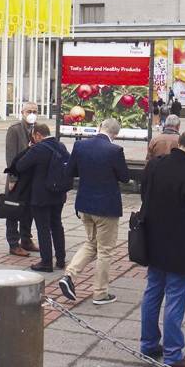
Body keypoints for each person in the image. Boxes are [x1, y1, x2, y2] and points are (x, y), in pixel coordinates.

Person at [139, 129, 185, 367]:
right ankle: (173, 354)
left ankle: (148, 343)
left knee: (153, 292)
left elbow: (144, 196)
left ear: (180, 143)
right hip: (181, 245)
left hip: (153, 240)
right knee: (175, 298)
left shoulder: (155, 166)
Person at [59, 118, 130, 305]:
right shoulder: (115, 150)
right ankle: (100, 293)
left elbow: (70, 173)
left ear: (100, 127)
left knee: (91, 243)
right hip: (106, 207)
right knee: (105, 251)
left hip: (84, 204)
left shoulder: (80, 146)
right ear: (116, 134)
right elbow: (124, 177)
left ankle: (69, 275)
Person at [15, 124, 68, 272]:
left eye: (33, 136)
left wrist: (29, 148)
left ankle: (46, 262)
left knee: (43, 228)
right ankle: (61, 259)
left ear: (38, 135)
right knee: (57, 225)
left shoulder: (38, 149)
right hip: (58, 193)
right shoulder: (61, 146)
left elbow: (20, 166)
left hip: (41, 195)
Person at [3, 102, 39, 257]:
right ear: (22, 112)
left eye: (35, 111)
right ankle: (13, 243)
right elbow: (10, 156)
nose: (32, 113)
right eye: (29, 111)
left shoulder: (38, 129)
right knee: (13, 210)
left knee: (29, 210)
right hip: (17, 178)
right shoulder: (15, 130)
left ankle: (26, 239)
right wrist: (12, 178)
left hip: (32, 178)